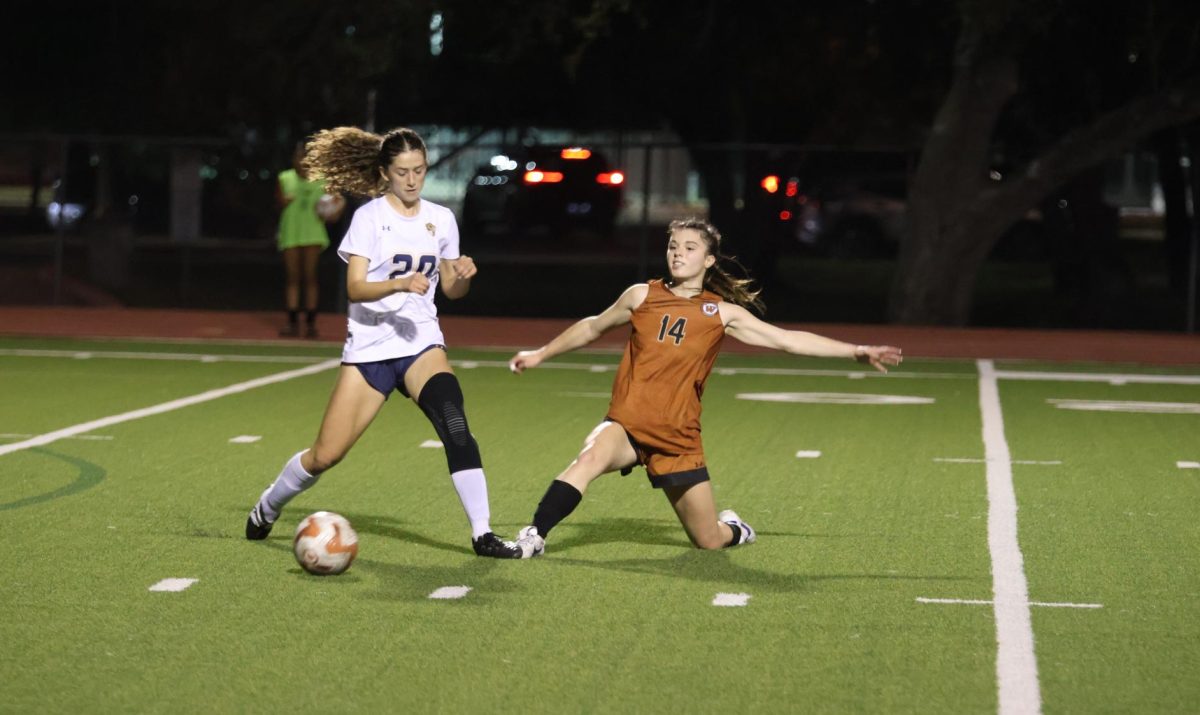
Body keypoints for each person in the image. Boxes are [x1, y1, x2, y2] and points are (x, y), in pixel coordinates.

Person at [508, 217, 902, 558]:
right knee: (588, 460)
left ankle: (736, 528)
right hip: (628, 424)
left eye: (689, 247)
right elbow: (593, 325)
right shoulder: (641, 295)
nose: (677, 253)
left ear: (709, 260)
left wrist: (857, 351)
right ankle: (534, 536)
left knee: (709, 540)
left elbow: (786, 340)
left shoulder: (721, 312)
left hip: (678, 436)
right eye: (673, 246)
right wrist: (541, 353)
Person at [246, 126, 522, 558]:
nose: (412, 180)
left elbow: (450, 291)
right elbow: (355, 288)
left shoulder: (441, 218)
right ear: (385, 173)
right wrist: (397, 284)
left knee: (454, 421)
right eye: (402, 172)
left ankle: (483, 533)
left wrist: (462, 277)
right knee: (325, 455)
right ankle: (269, 504)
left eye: (419, 171)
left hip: (421, 346)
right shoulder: (370, 218)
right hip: (370, 352)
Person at [276, 142, 345, 338]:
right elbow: (278, 202)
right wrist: (283, 201)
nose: (302, 162)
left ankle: (310, 323)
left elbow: (337, 203)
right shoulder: (285, 177)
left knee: (310, 277)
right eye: (298, 157)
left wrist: (332, 210)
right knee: (292, 277)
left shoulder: (322, 180)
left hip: (312, 231)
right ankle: (291, 322)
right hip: (291, 230)